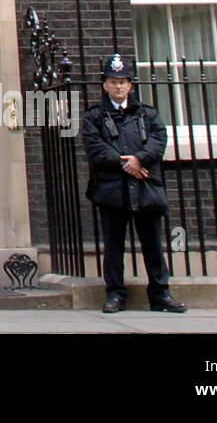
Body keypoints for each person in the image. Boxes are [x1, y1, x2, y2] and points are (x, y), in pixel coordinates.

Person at [81, 53, 188, 313]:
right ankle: (115, 294)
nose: (118, 86)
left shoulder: (147, 114)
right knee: (114, 245)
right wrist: (125, 163)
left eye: (123, 81)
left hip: (144, 187)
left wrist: (139, 159)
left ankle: (160, 294)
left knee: (152, 243)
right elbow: (95, 149)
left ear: (130, 85)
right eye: (113, 81)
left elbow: (158, 140)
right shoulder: (93, 117)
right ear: (104, 85)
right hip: (112, 189)